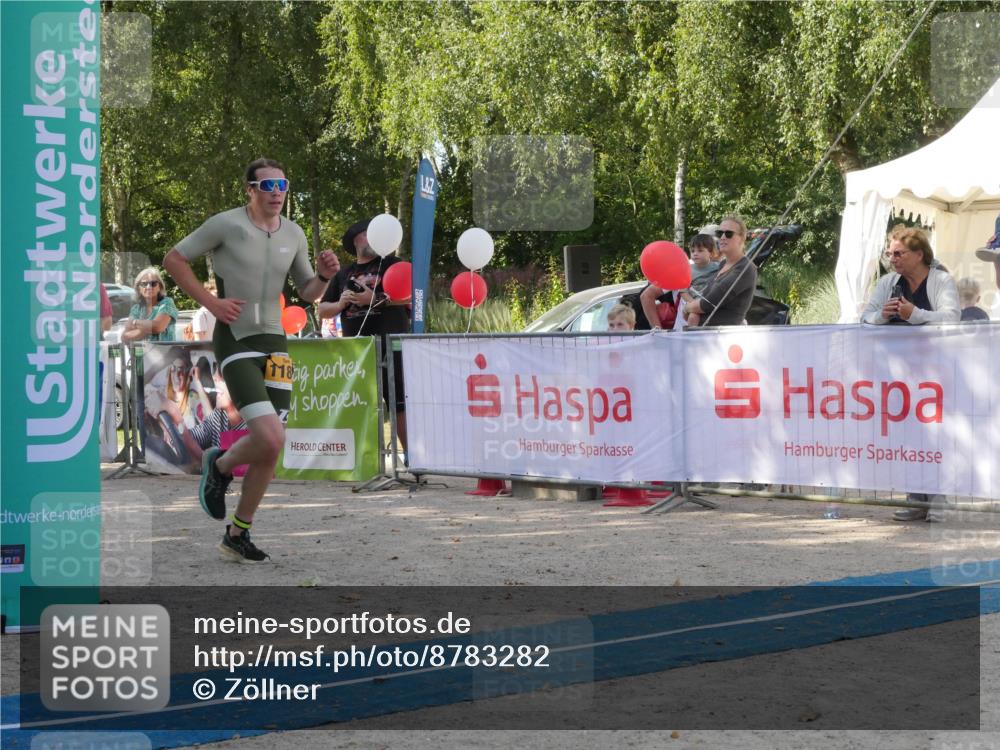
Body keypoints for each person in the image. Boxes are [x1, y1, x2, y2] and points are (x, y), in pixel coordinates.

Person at [162, 157, 340, 563]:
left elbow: (308, 291)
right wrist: (210, 301)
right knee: (272, 435)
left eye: (283, 185)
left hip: (275, 341)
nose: (276, 193)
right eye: (268, 186)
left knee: (270, 447)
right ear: (250, 190)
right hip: (237, 339)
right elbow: (175, 259)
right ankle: (221, 465)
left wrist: (327, 276)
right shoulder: (226, 224)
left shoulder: (293, 233)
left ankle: (237, 533)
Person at [860, 226, 960, 523]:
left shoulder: (941, 279)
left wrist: (913, 314)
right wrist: (883, 316)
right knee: (909, 437)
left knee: (937, 435)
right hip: (899, 376)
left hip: (938, 374)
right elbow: (864, 317)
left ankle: (939, 501)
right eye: (889, 253)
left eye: (899, 253)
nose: (892, 259)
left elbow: (952, 318)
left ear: (919, 254)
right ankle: (916, 500)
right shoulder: (888, 282)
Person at [318, 218, 410, 451]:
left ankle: (412, 460)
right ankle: (361, 459)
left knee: (398, 403)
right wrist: (340, 304)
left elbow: (413, 297)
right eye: (368, 233)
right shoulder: (343, 274)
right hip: (357, 349)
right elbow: (322, 310)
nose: (373, 237)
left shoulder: (393, 264)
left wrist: (375, 299)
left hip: (391, 344)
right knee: (359, 404)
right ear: (355, 239)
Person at [683, 216, 758, 327]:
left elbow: (707, 304)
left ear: (742, 238)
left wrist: (687, 308)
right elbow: (705, 297)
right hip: (703, 336)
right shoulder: (722, 265)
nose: (722, 237)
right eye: (719, 233)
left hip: (723, 338)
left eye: (728, 234)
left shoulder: (745, 268)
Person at [640, 233, 720, 330]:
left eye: (700, 250)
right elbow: (646, 296)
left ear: (711, 252)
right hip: (686, 332)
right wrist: (658, 331)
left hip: (715, 333)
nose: (695, 253)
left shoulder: (721, 267)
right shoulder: (683, 269)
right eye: (693, 250)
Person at [121, 267, 178, 343]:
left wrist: (135, 322)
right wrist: (149, 327)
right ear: (138, 288)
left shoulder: (167, 303)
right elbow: (125, 337)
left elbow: (157, 327)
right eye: (144, 284)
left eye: (153, 284)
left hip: (165, 353)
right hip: (140, 354)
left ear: (159, 287)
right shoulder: (136, 308)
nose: (148, 287)